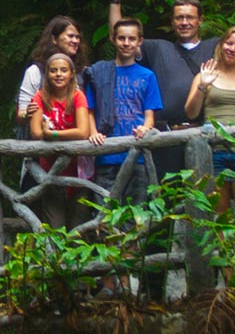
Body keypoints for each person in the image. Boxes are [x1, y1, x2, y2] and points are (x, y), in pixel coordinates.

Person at [106, 0, 235, 134]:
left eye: (190, 17)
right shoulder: (158, 48)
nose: (184, 22)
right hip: (165, 132)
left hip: (202, 132)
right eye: (179, 18)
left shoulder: (216, 47)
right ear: (172, 22)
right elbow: (119, 36)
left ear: (200, 20)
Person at [84, 18, 162, 298]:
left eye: (132, 39)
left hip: (136, 159)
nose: (126, 43)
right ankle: (108, 285)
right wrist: (93, 133)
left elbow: (150, 115)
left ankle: (127, 287)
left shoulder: (147, 76)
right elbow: (90, 110)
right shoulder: (100, 73)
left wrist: (146, 128)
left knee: (132, 223)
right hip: (107, 158)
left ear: (140, 41)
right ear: (113, 40)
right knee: (105, 221)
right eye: (121, 38)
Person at [184, 27, 235, 227]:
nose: (232, 48)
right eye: (229, 43)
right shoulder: (204, 75)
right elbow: (191, 113)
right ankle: (222, 249)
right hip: (214, 151)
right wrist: (203, 86)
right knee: (219, 217)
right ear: (221, 45)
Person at [29, 53, 92, 228]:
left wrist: (53, 135)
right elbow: (36, 132)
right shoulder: (40, 96)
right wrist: (61, 134)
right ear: (47, 74)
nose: (58, 74)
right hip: (50, 171)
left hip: (78, 170)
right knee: (55, 226)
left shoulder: (78, 96)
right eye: (53, 70)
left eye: (63, 70)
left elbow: (83, 132)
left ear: (71, 74)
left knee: (79, 226)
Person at [14, 16, 87, 140]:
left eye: (77, 37)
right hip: (38, 145)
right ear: (54, 39)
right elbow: (20, 115)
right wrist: (28, 113)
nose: (75, 41)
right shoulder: (35, 72)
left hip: (74, 145)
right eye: (70, 36)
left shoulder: (83, 71)